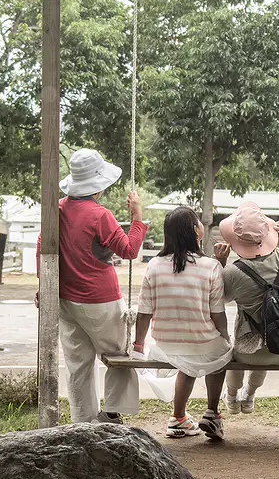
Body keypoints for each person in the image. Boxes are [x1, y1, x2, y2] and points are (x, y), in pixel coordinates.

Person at [36, 148, 148, 424]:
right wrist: (137, 216)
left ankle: (83, 419)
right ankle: (111, 412)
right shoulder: (100, 215)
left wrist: (44, 286)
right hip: (100, 299)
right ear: (98, 186)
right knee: (117, 355)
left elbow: (42, 247)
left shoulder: (57, 209)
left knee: (78, 362)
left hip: (65, 299)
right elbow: (129, 250)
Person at [133, 206, 232, 440]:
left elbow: (144, 312)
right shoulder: (211, 266)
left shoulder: (154, 265)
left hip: (165, 344)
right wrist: (225, 337)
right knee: (221, 353)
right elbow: (217, 313)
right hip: (201, 343)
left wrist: (138, 345)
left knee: (189, 357)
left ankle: (178, 418)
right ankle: (212, 413)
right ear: (196, 231)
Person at [213, 202, 279, 414]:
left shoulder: (233, 273)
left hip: (248, 353)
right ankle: (250, 396)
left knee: (239, 352)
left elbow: (218, 297)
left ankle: (232, 397)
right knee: (266, 346)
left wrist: (219, 262)